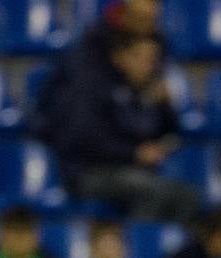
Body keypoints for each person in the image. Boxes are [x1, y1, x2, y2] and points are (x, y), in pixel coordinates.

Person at [46, 32, 198, 222]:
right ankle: (140, 247)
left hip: (131, 172)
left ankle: (169, 243)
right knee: (149, 189)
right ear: (120, 57)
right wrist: (134, 153)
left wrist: (165, 106)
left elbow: (170, 134)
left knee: (188, 196)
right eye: (141, 58)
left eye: (153, 59)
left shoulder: (148, 91)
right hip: (90, 172)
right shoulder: (94, 89)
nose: (149, 65)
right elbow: (89, 139)